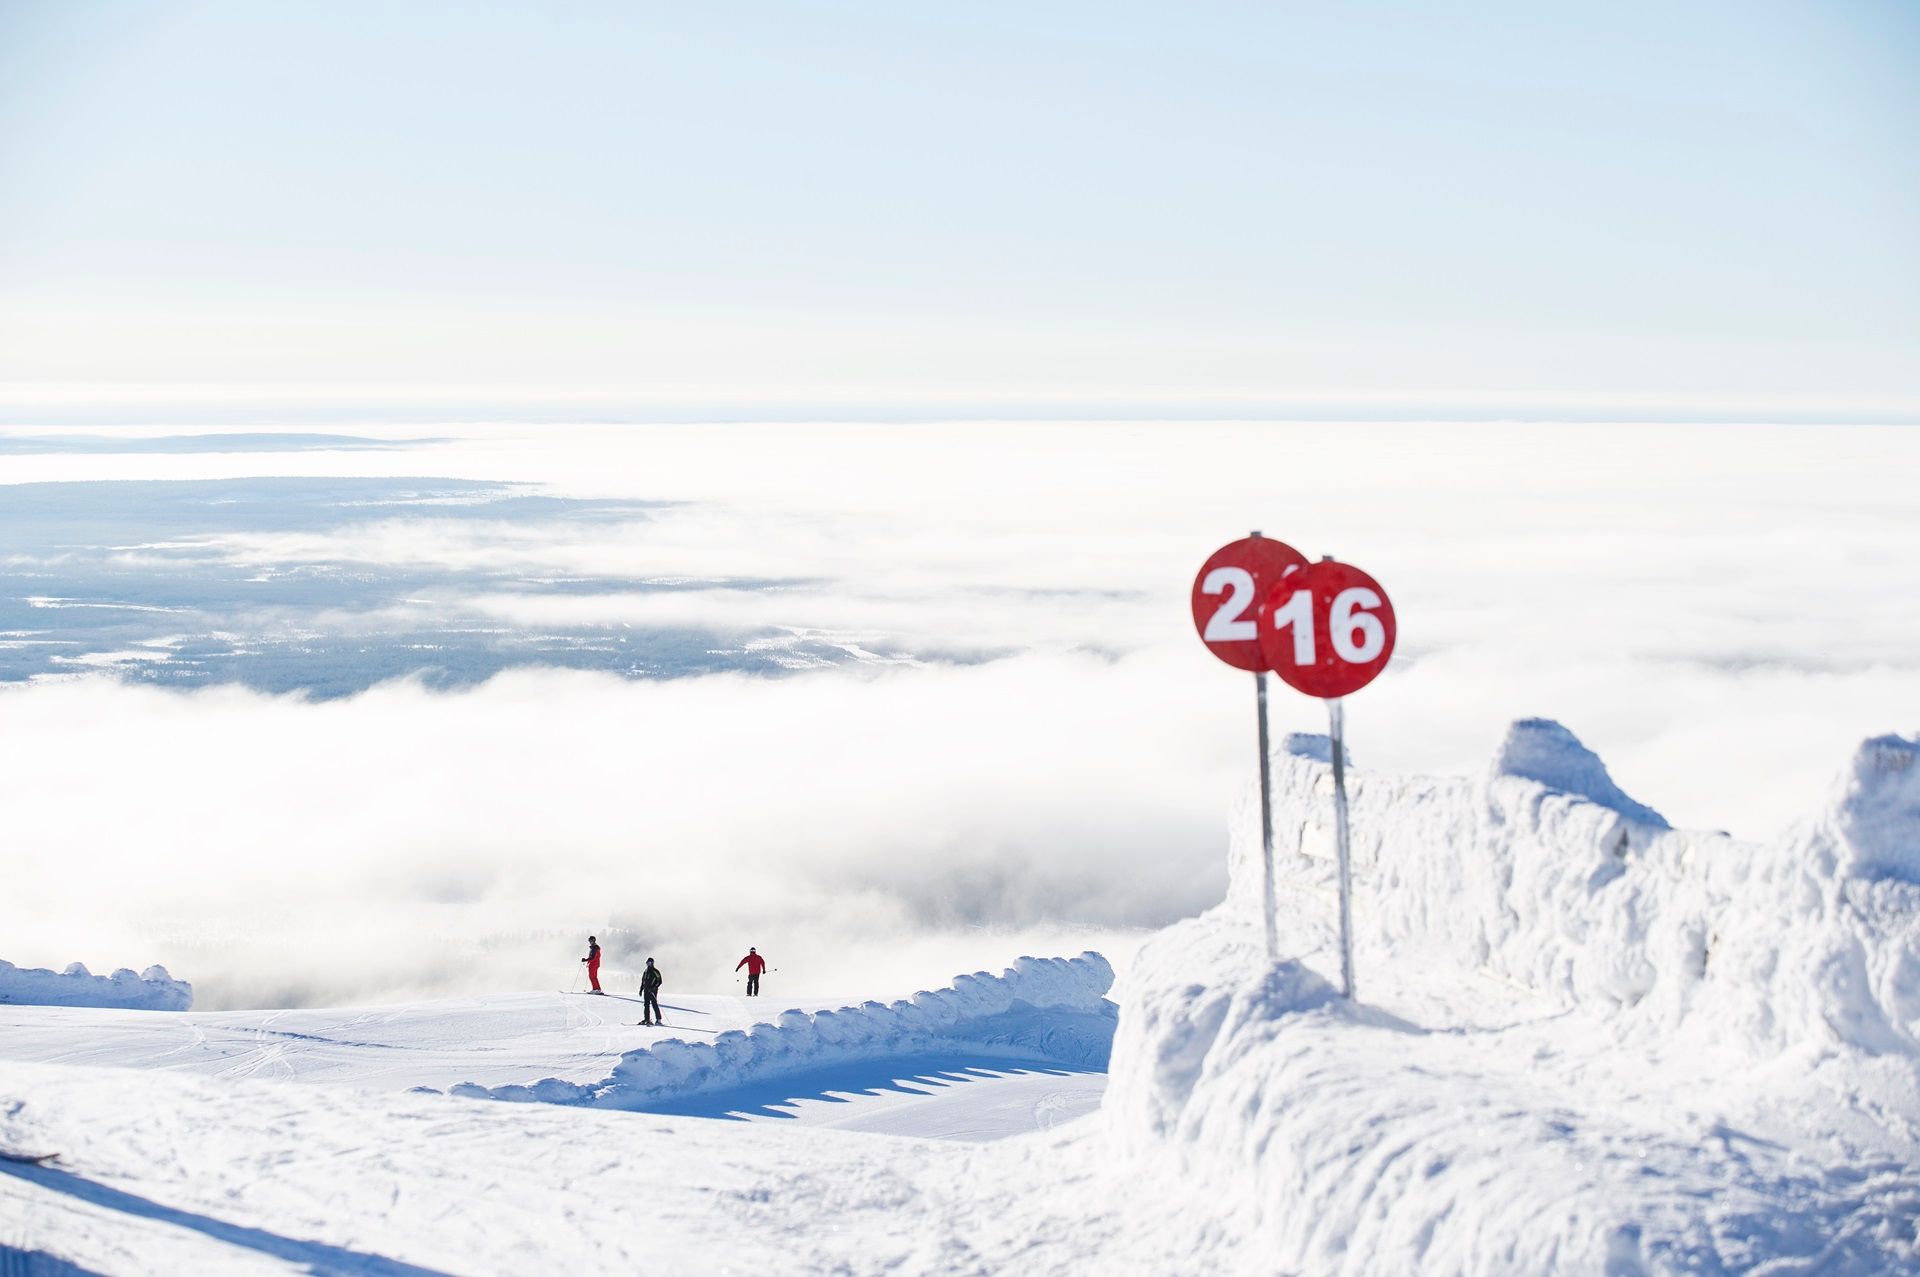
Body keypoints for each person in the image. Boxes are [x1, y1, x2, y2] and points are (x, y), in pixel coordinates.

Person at [640, 957, 663, 1026]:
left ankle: (658, 1019)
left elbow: (659, 981)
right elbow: (643, 981)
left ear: (652, 963)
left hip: (653, 991)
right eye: (647, 963)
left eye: (649, 963)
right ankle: (647, 1019)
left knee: (654, 1004)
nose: (648, 964)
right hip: (646, 991)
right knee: (646, 1005)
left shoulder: (655, 971)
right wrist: (641, 989)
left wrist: (653, 988)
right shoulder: (646, 971)